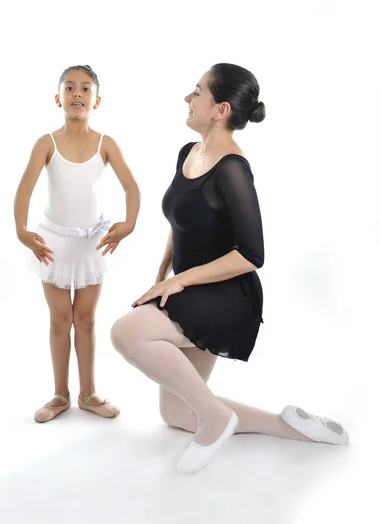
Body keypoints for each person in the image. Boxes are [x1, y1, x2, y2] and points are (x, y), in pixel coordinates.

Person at [110, 63, 348, 474]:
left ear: (220, 110)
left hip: (227, 296)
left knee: (126, 331)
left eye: (197, 91)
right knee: (178, 413)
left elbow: (252, 253)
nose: (188, 98)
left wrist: (180, 280)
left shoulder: (233, 169)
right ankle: (291, 427)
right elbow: (180, 222)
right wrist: (162, 276)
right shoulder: (189, 153)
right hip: (190, 292)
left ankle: (217, 419)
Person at [15, 65, 140, 423]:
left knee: (85, 319)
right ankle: (59, 395)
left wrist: (128, 223)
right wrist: (22, 231)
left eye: (85, 89)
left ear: (96, 100)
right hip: (52, 243)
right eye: (69, 88)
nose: (77, 94)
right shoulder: (47, 143)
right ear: (58, 98)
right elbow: (24, 188)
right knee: (59, 319)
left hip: (91, 244)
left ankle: (88, 394)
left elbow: (131, 186)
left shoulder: (106, 144)